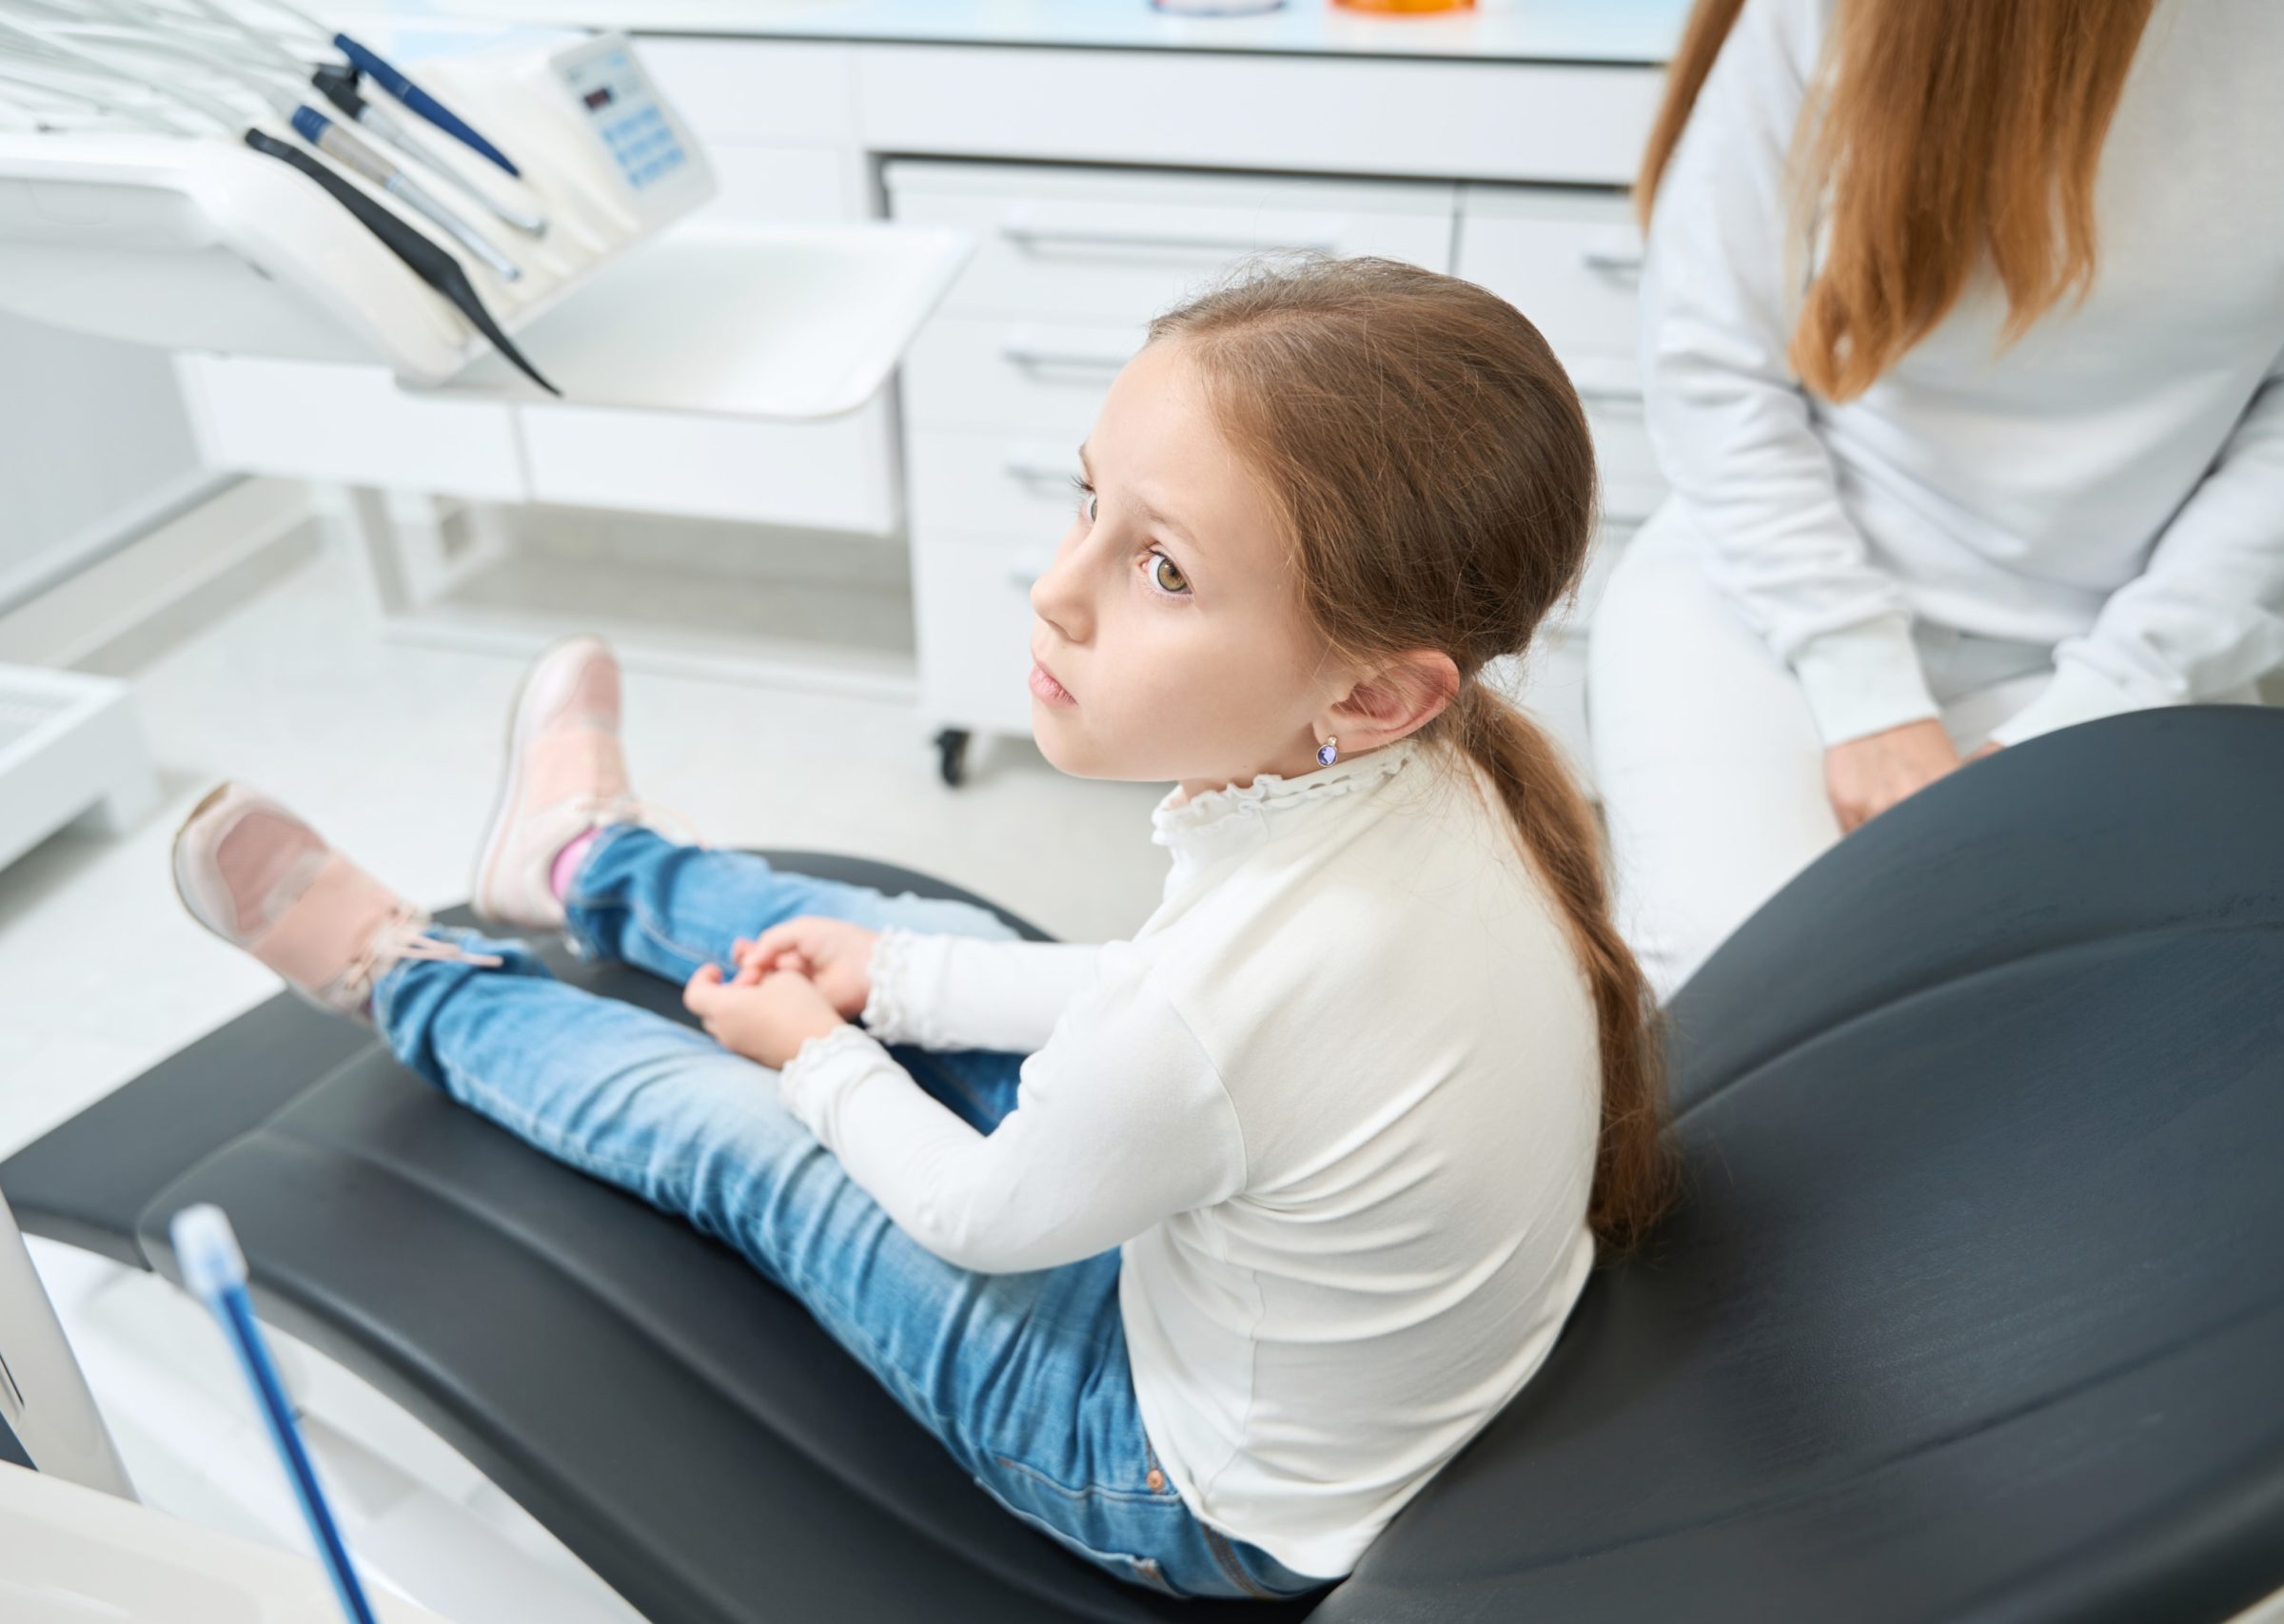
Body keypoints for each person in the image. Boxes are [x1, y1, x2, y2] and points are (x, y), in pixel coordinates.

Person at [168, 258, 1672, 1601]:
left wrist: (816, 1050)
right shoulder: (1438, 782)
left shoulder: (1232, 992)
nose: (1055, 590)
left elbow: (987, 1212)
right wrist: (889, 978)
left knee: (751, 1139)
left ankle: (406, 976)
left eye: (1161, 568)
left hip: (1177, 1478)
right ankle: (585, 862)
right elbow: (1166, 1003)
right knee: (914, 929)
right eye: (1091, 503)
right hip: (1282, 1322)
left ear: (1370, 691)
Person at [1588, 0, 2284, 997]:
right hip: (1774, 606)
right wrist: (1867, 695)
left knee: (2083, 1034)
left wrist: (2096, 707)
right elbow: (1711, 361)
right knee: (1736, 996)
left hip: (2136, 660)